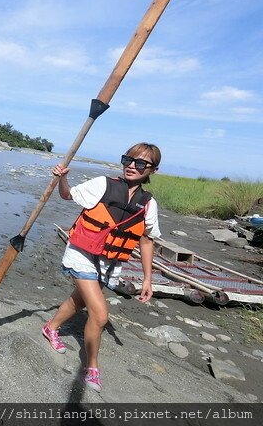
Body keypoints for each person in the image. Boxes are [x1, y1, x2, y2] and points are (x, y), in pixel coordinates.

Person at [42, 143, 161, 393]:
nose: (131, 166)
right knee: (100, 315)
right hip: (82, 253)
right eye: (128, 159)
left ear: (153, 170)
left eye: (140, 163)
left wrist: (148, 279)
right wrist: (63, 180)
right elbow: (67, 195)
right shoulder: (103, 184)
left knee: (80, 301)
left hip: (110, 262)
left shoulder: (148, 204)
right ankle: (92, 366)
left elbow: (146, 240)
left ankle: (50, 327)